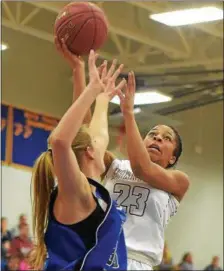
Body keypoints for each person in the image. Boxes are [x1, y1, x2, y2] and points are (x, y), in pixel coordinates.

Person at [59, 41, 190, 270]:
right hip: (102, 253)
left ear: (172, 158)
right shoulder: (116, 166)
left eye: (166, 138)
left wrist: (128, 113)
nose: (157, 138)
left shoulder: (178, 182)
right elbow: (86, 135)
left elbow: (143, 169)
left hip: (139, 261)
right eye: (153, 134)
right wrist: (78, 71)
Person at [29, 47, 128, 270]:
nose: (103, 144)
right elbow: (60, 141)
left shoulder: (91, 190)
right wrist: (92, 89)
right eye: (97, 144)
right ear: (90, 152)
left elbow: (98, 134)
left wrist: (101, 98)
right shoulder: (76, 191)